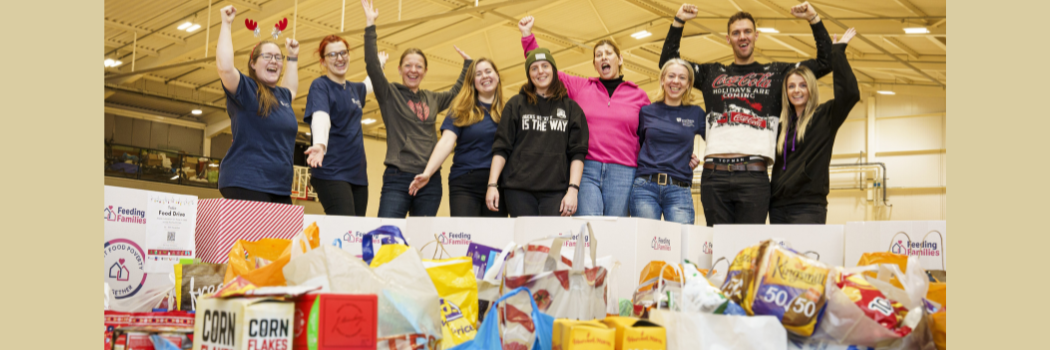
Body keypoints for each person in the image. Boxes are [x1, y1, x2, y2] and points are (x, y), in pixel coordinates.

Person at [661, 2, 833, 226]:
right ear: (728, 38)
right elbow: (667, 64)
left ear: (756, 35)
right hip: (714, 176)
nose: (742, 37)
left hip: (754, 176)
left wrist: (814, 19)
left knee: (749, 249)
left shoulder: (777, 73)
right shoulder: (711, 73)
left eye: (747, 31)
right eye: (736, 33)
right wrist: (678, 22)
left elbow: (825, 62)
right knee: (720, 248)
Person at [517, 16, 656, 217]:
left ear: (620, 59)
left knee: (614, 229)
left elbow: (652, 134)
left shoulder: (639, 95)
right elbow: (544, 70)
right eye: (598, 55)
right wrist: (527, 35)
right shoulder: (581, 87)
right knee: (588, 226)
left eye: (609, 53)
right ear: (594, 64)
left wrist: (681, 152)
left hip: (624, 171)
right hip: (587, 168)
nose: (604, 57)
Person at [361, 0, 472, 218]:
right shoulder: (389, 93)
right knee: (388, 237)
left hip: (429, 180)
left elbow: (454, 93)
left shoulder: (431, 98)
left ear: (425, 71)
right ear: (400, 69)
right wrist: (370, 25)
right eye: (408, 65)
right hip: (397, 177)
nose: (413, 70)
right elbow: (373, 66)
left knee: (422, 240)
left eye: (418, 66)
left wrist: (467, 66)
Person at [770, 29, 859, 224]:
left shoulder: (825, 116)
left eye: (802, 85)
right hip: (777, 207)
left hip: (808, 207)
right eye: (791, 86)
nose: (797, 91)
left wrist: (838, 53)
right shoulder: (780, 126)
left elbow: (850, 94)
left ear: (811, 88)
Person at [486, 48, 588, 217]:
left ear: (554, 71)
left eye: (545, 66)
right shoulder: (515, 104)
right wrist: (492, 185)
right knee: (525, 243)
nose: (540, 71)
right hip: (518, 190)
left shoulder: (571, 108)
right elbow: (501, 147)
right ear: (529, 74)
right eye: (534, 68)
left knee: (551, 242)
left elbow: (578, 153)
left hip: (556, 192)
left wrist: (573, 190)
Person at [214, 5, 300, 204]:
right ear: (253, 63)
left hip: (279, 186)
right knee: (258, 236)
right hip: (248, 182)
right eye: (267, 56)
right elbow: (225, 68)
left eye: (278, 57)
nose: (274, 61)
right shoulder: (246, 89)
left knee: (283, 236)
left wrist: (293, 57)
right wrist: (226, 24)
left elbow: (291, 90)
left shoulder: (282, 96)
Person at [408, 58, 509, 217]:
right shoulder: (460, 109)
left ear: (497, 75)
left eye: (488, 71)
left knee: (493, 240)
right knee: (465, 237)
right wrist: (427, 173)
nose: (484, 76)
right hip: (465, 182)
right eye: (478, 74)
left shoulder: (508, 112)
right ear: (472, 82)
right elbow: (446, 142)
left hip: (497, 183)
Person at [302, 35, 389, 216]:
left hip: (357, 174)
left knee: (355, 232)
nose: (339, 58)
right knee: (344, 227)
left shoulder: (354, 89)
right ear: (323, 61)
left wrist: (379, 64)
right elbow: (321, 116)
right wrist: (319, 145)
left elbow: (369, 84)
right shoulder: (321, 85)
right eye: (332, 54)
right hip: (332, 172)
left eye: (343, 53)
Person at [631, 59, 706, 224]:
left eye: (682, 78)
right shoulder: (646, 112)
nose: (676, 81)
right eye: (671, 76)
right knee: (646, 244)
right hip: (645, 188)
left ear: (688, 84)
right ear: (662, 80)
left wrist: (697, 160)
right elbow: (640, 145)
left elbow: (716, 141)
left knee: (682, 244)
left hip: (679, 190)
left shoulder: (696, 113)